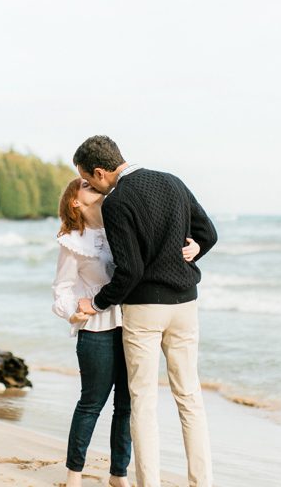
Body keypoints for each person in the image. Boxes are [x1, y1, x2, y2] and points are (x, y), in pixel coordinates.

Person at [73, 135, 218, 487]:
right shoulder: (173, 181)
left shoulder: (117, 201)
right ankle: (202, 482)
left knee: (143, 401)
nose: (89, 186)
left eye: (88, 180)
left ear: (100, 171)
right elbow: (209, 233)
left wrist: (95, 303)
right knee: (189, 397)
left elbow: (130, 270)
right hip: (185, 303)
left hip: (145, 309)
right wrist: (195, 248)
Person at [52, 176, 201, 487]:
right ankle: (74, 474)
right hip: (96, 329)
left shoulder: (119, 224)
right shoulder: (72, 241)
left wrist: (195, 245)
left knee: (128, 404)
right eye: (85, 185)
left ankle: (118, 474)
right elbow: (62, 288)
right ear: (74, 201)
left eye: (92, 181)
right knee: (92, 402)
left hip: (134, 322)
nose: (92, 185)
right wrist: (73, 312)